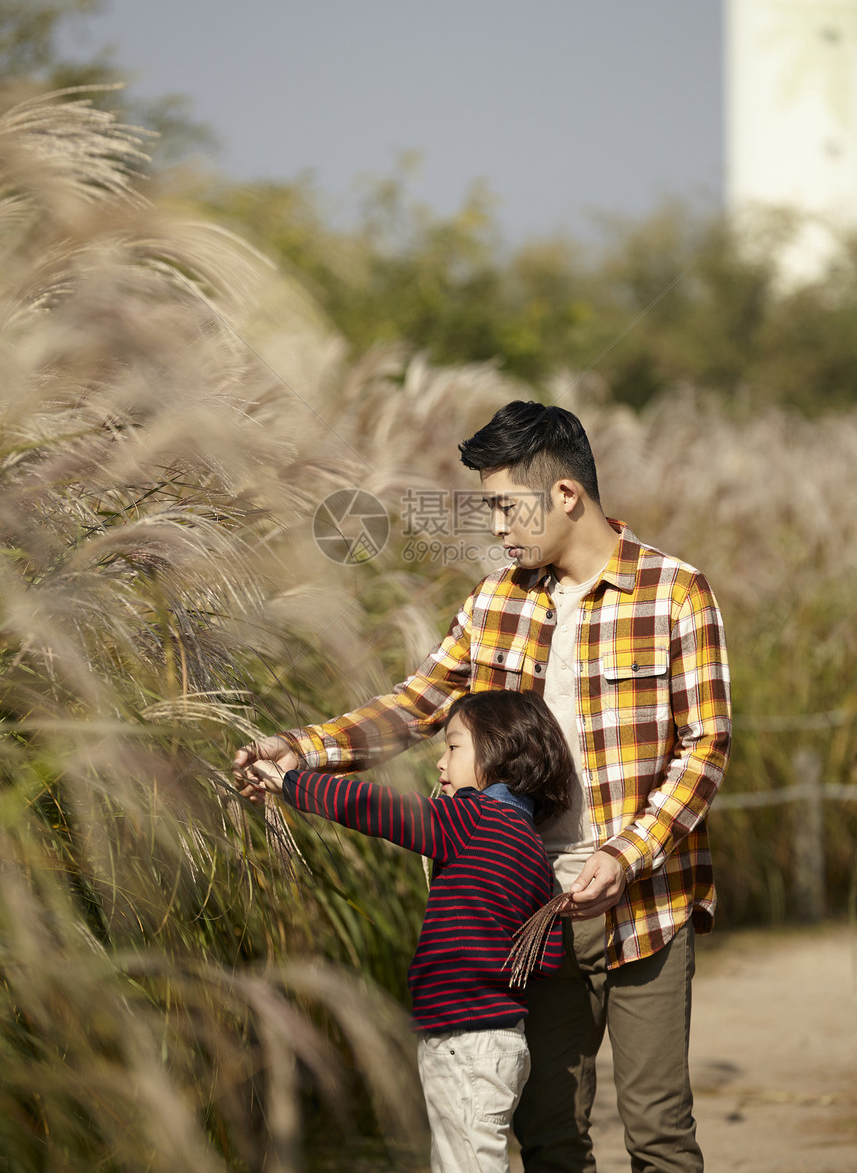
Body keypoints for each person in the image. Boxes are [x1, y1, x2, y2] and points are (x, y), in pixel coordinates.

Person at [234, 399, 732, 1173]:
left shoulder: (675, 593)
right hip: (533, 914)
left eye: (506, 506)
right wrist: (300, 749)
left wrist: (628, 854)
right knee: (550, 1136)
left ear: (565, 495)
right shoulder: (496, 601)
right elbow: (416, 704)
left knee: (660, 1136)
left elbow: (705, 747)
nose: (496, 527)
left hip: (648, 904)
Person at [247, 689, 573, 1173]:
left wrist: (293, 782)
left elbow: (376, 808)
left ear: (501, 751)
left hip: (464, 1039)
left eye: (454, 747)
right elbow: (545, 955)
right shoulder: (529, 845)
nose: (440, 764)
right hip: (499, 1041)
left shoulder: (475, 818)